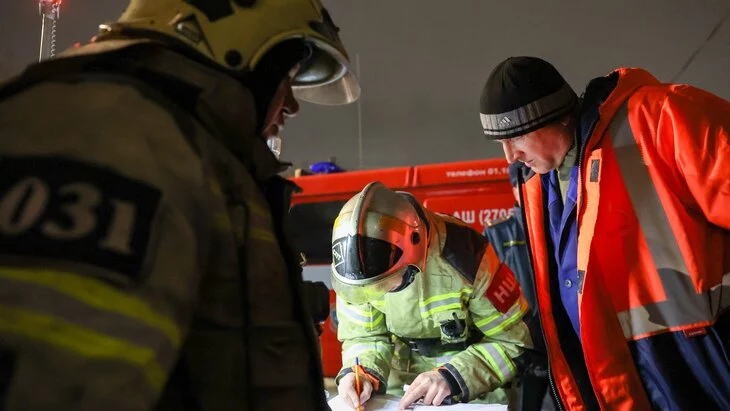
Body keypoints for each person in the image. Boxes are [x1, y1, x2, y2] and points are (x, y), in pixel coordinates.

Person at [0, 1, 359, 410]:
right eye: (286, 77)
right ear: (241, 50)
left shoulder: (189, 145)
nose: (291, 105)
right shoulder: (114, 134)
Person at [478, 56, 730, 410]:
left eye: (517, 135)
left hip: (698, 358)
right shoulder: (538, 186)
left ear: (558, 115)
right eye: (500, 142)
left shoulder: (662, 117)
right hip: (623, 373)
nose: (510, 156)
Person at [330, 182, 533, 411]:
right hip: (395, 396)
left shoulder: (467, 257)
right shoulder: (356, 274)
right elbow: (364, 337)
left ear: (415, 249)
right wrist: (361, 372)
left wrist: (453, 377)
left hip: (470, 393)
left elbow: (514, 341)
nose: (378, 292)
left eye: (386, 283)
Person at [483, 162, 552, 411]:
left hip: (564, 342)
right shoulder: (498, 233)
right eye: (527, 183)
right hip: (526, 346)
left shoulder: (556, 223)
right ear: (515, 189)